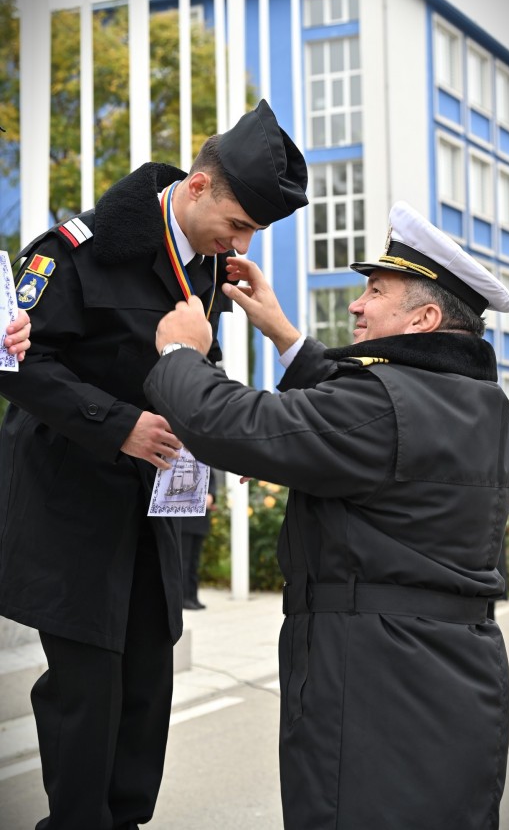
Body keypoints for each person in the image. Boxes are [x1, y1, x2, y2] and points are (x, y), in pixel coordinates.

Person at [144, 201, 509, 830]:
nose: (356, 306)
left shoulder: (385, 406)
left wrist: (180, 355)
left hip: (376, 678)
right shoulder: (479, 403)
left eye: (375, 291)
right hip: (444, 674)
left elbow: (232, 425)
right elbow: (366, 415)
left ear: (424, 319)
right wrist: (284, 334)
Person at [0, 99, 307, 830]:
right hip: (70, 503)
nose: (243, 242)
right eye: (238, 223)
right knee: (86, 688)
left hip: (154, 512)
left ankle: (126, 818)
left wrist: (215, 436)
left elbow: (196, 358)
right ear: (197, 186)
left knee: (147, 681)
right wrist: (120, 426)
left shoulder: (206, 267)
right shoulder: (69, 251)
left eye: (254, 232)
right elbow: (19, 367)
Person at [181, 468, 217, 610]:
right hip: (184, 520)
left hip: (200, 520)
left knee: (194, 562)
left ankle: (193, 596)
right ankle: (184, 598)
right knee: (184, 561)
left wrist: (212, 496)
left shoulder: (205, 463)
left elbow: (212, 483)